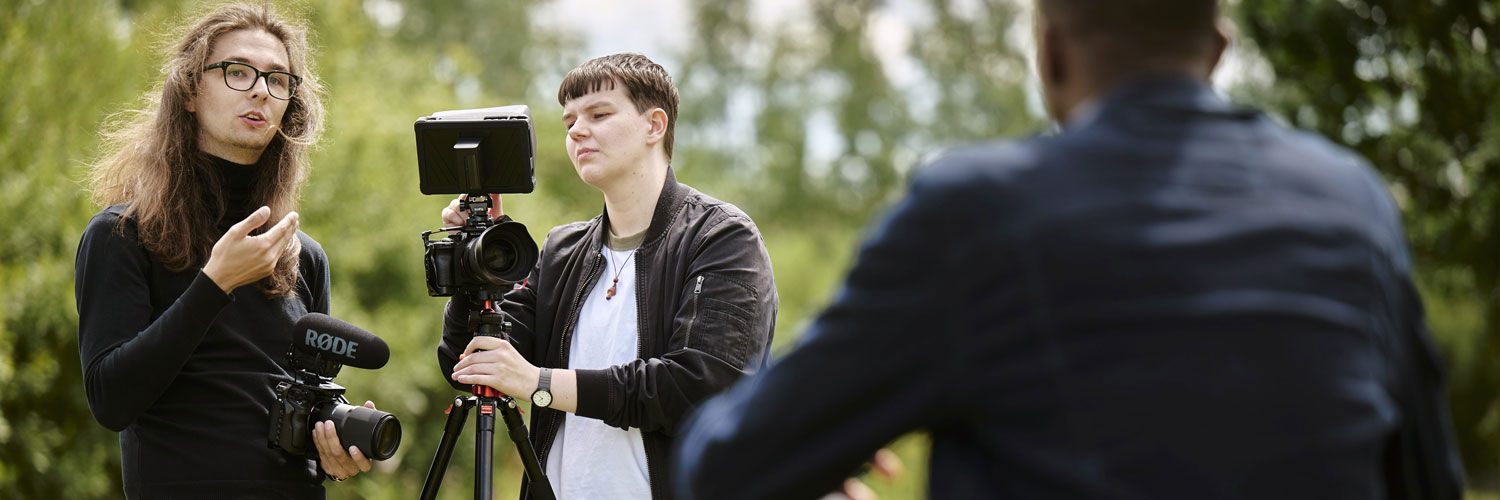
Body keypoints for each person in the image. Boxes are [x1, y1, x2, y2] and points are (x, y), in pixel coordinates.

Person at [672, 0, 1467, 498]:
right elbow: (1429, 479)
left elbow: (722, 469)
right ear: (1218, 52)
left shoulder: (976, 216)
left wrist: (819, 439)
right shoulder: (1354, 203)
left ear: (1050, 54)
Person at [437, 53, 778, 499]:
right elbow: (470, 364)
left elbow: (697, 387)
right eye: (569, 121)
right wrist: (472, 261)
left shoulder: (721, 237)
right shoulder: (562, 251)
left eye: (599, 114)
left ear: (655, 125)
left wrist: (540, 384)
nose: (578, 130)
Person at [75, 4, 377, 498]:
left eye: (278, 80)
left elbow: (303, 414)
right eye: (238, 72)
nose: (261, 89)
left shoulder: (303, 256)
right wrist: (214, 285)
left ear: (288, 108)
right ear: (191, 91)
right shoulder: (122, 235)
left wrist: (333, 449)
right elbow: (111, 401)